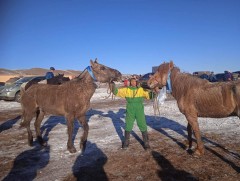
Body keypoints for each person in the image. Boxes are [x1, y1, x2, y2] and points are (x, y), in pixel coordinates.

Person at [110, 77, 154, 150]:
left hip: (139, 109)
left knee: (142, 124)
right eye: (132, 82)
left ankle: (146, 143)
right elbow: (116, 92)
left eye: (135, 81)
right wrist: (112, 85)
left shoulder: (141, 89)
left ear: (137, 82)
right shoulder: (126, 90)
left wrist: (154, 92)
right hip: (130, 109)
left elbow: (149, 95)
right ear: (130, 82)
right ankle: (126, 142)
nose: (133, 83)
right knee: (128, 125)